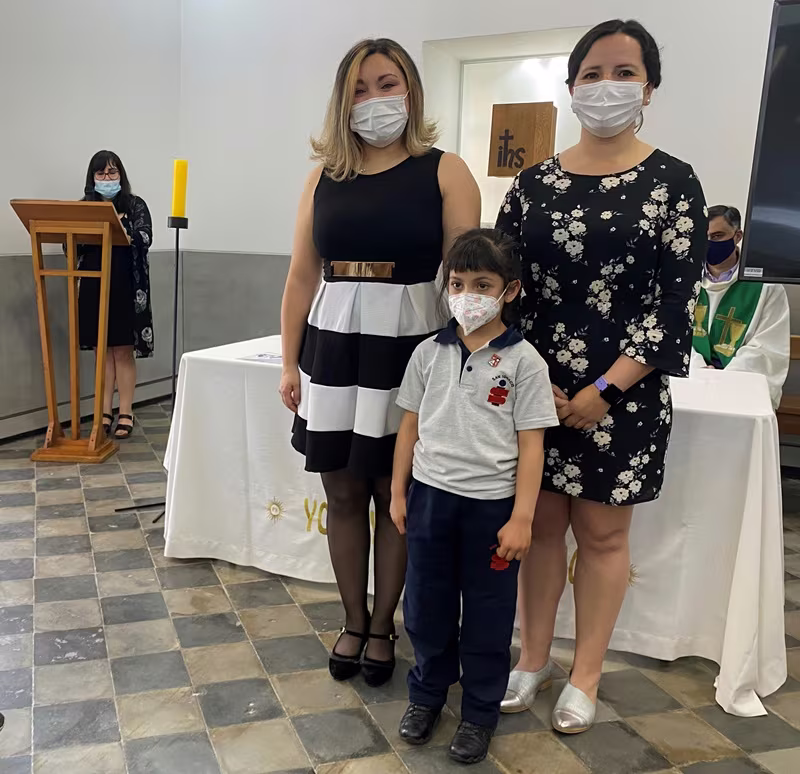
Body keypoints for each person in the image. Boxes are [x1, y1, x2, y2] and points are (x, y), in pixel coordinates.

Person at [495, 19, 708, 733]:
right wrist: (534, 382)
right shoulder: (533, 185)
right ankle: (533, 658)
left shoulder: (674, 183)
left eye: (623, 72)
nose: (606, 86)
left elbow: (674, 306)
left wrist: (604, 391)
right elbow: (505, 289)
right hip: (536, 391)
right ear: (571, 85)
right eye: (592, 73)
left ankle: (585, 674)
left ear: (649, 88)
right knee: (538, 528)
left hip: (625, 396)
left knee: (603, 535)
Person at [278, 38, 480, 687]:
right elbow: (301, 276)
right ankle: (352, 619)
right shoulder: (322, 178)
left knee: (397, 495)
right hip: (334, 345)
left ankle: (384, 626)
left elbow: (467, 280)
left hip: (410, 346)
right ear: (343, 102)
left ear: (411, 91)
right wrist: (289, 363)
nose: (374, 99)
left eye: (387, 84)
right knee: (341, 491)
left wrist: (461, 367)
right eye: (359, 89)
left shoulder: (446, 171)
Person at [391, 229, 558, 764]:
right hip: (430, 499)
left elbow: (532, 445)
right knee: (426, 606)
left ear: (510, 290)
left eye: (482, 285)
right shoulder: (427, 353)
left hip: (491, 509)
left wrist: (522, 517)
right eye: (458, 284)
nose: (468, 296)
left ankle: (480, 713)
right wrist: (398, 492)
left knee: (488, 616)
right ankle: (426, 695)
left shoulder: (526, 362)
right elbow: (409, 426)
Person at [78, 150, 153, 438]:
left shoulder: (135, 205)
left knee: (122, 350)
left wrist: (124, 231)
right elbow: (71, 245)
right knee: (102, 351)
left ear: (121, 174)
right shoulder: (84, 207)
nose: (107, 177)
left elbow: (145, 236)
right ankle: (104, 411)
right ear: (92, 178)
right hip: (94, 286)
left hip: (125, 286)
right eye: (101, 173)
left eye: (112, 172)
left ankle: (125, 411)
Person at [691, 205, 790, 408]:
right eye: (704, 237)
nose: (709, 243)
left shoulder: (766, 286)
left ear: (737, 236)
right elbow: (673, 332)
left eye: (717, 236)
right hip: (692, 378)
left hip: (740, 385)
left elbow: (767, 348)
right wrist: (698, 370)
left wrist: (724, 380)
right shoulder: (685, 280)